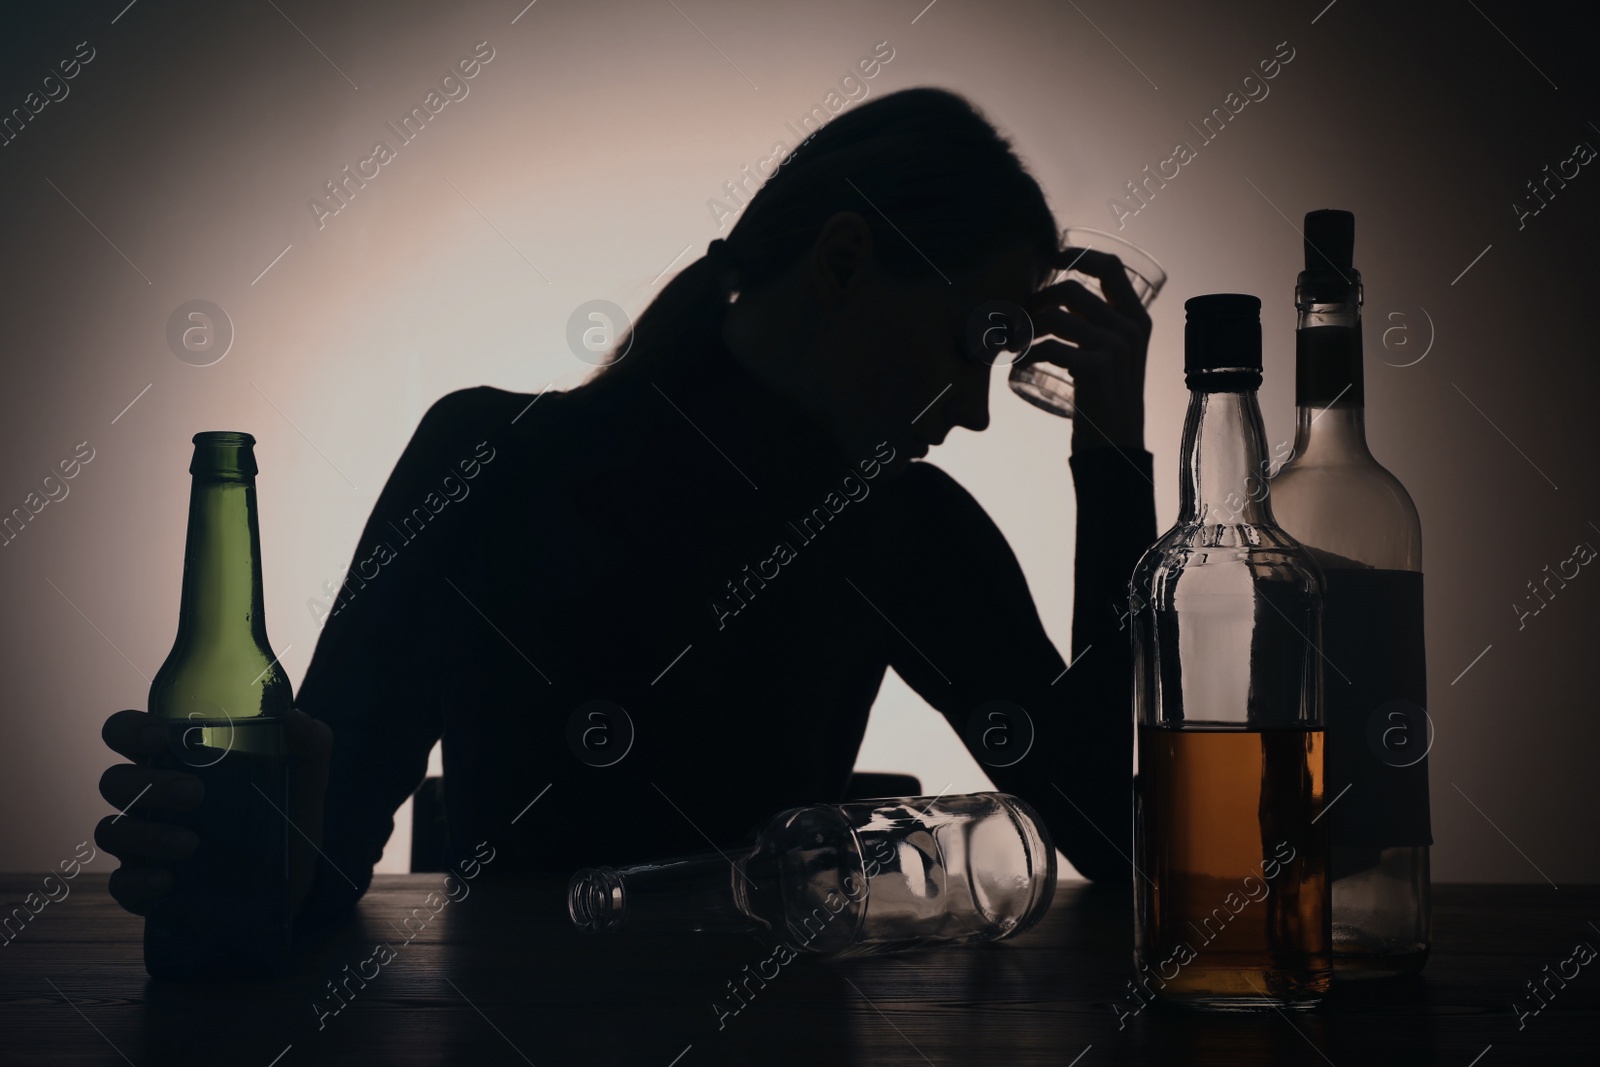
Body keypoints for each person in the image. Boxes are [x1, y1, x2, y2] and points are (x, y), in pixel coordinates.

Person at [96, 87, 1155, 946]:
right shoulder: (484, 459)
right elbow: (317, 867)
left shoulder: (910, 528)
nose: (973, 411)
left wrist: (1111, 454)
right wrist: (229, 843)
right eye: (975, 341)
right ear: (841, 261)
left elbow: (1117, 832)